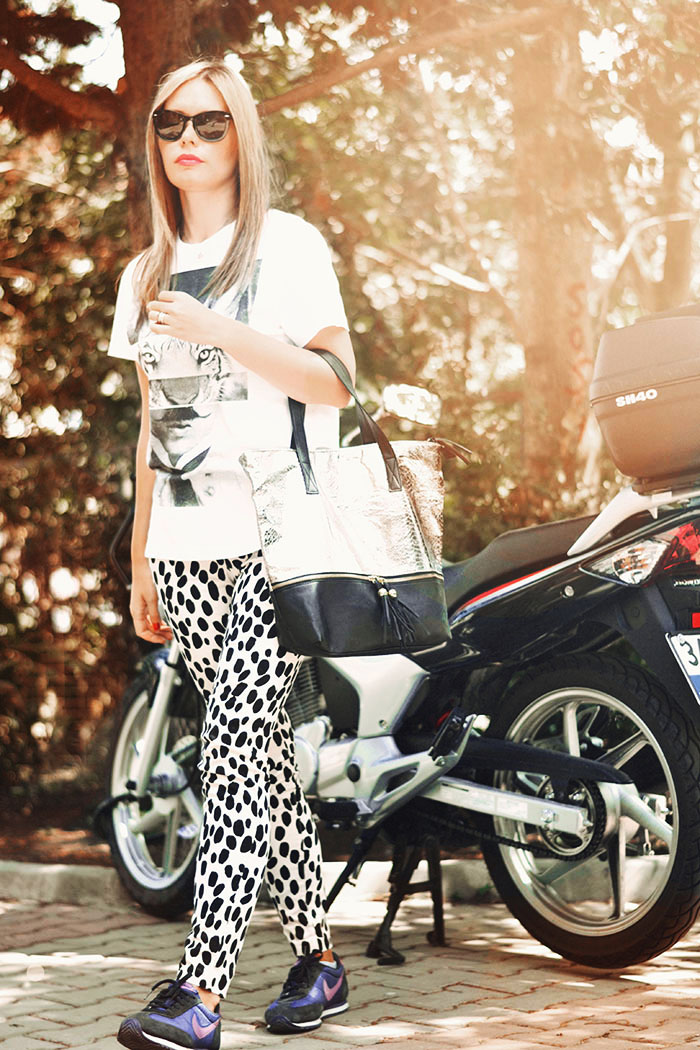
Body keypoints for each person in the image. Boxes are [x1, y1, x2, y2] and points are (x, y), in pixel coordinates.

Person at [108, 57, 355, 1050]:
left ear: (240, 135)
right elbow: (151, 428)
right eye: (171, 123)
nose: (188, 140)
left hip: (274, 540)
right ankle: (320, 963)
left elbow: (335, 380)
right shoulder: (144, 275)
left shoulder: (287, 248)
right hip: (185, 549)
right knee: (258, 757)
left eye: (209, 123)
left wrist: (218, 329)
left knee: (230, 753)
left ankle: (199, 992)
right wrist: (142, 559)